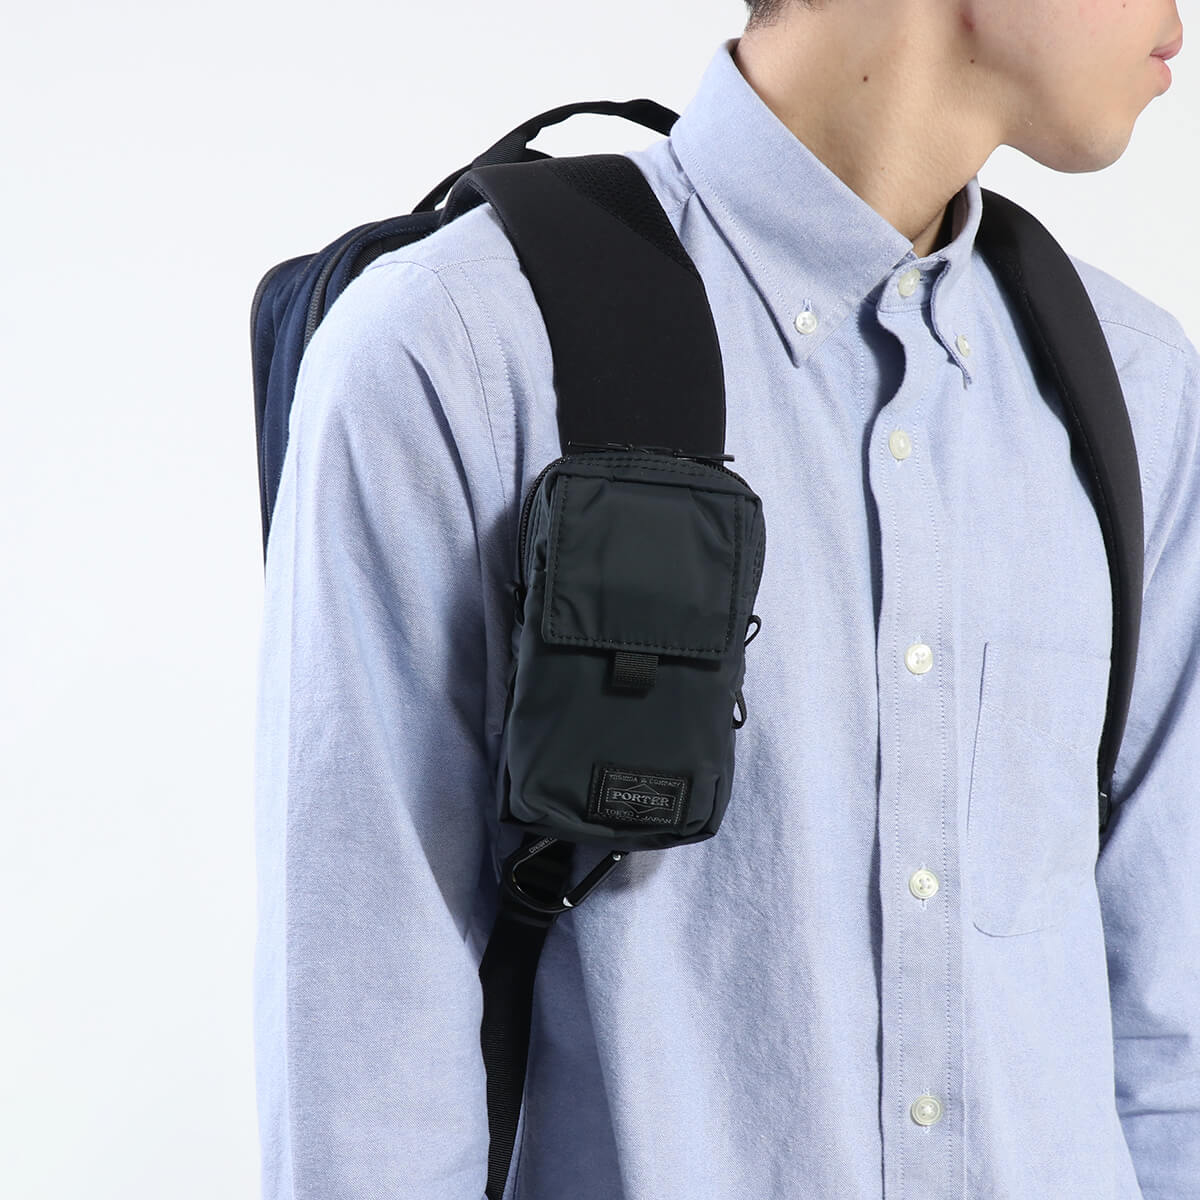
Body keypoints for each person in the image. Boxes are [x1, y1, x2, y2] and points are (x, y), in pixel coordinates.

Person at [253, 1, 1197, 1196]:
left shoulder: (1138, 395)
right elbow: (367, 1074)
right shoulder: (459, 353)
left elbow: (1170, 1047)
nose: (1176, 17)